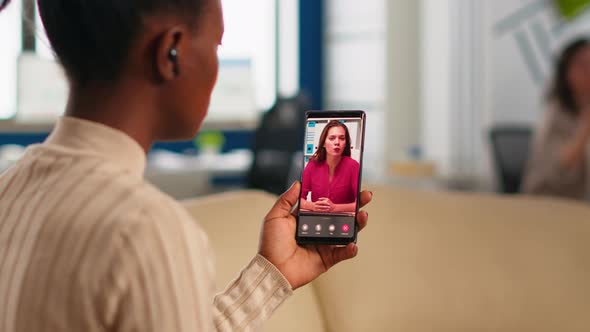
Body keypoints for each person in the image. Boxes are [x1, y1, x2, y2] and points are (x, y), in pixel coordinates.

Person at [0, 1, 372, 331]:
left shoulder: (9, 189)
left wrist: (272, 275)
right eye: (217, 44)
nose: (216, 65)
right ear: (170, 51)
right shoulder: (146, 228)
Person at [523, 38, 590, 200]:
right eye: (583, 65)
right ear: (566, 71)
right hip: (549, 202)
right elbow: (558, 168)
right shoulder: (555, 113)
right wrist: (585, 128)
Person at [300, 120, 360, 213]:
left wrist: (335, 208)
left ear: (346, 143)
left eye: (342, 138)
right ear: (323, 143)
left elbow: (359, 204)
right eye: (332, 138)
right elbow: (298, 199)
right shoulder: (312, 165)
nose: (337, 142)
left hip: (344, 221)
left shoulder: (353, 166)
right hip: (317, 219)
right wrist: (312, 206)